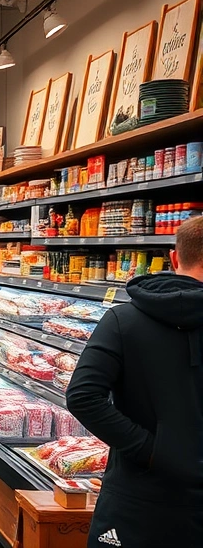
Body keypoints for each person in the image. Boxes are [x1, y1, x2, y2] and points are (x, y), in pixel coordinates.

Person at [66, 216, 203, 548]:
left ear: (173, 257)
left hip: (135, 499)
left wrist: (149, 450)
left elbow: (83, 395)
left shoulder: (122, 319)